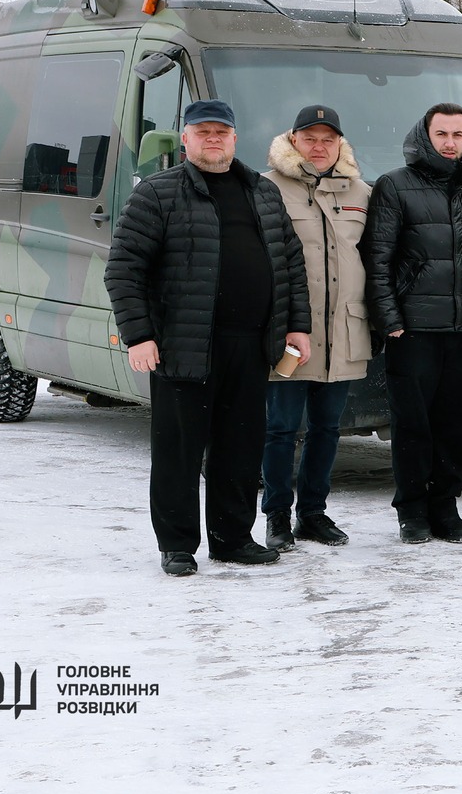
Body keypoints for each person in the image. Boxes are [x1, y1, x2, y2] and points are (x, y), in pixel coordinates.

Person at [106, 99, 312, 576]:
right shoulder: (157, 193)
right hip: (183, 345)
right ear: (185, 138)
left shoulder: (261, 191)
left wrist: (297, 326)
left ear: (235, 138)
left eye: (221, 132)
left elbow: (290, 266)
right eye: (203, 132)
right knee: (179, 451)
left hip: (251, 344)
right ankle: (177, 545)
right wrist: (140, 335)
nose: (213, 139)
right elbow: (123, 269)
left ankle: (232, 538)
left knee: (240, 447)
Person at [365, 103, 462, 545]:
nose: (449, 142)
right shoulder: (394, 185)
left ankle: (445, 507)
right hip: (413, 328)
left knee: (455, 424)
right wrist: (388, 318)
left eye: (457, 134)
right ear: (425, 135)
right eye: (441, 134)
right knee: (412, 425)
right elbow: (378, 259)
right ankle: (412, 511)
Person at [259, 103, 373, 552]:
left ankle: (313, 514)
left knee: (328, 428)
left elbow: (373, 255)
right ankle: (276, 515)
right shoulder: (267, 188)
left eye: (328, 139)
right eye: (310, 138)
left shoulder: (360, 191)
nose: (319, 147)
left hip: (343, 332)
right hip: (291, 335)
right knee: (281, 429)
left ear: (340, 143)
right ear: (293, 140)